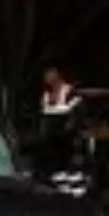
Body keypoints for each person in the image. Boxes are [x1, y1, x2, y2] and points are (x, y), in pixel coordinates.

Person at [38, 67, 87, 196]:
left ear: (57, 77)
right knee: (58, 172)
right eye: (46, 77)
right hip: (53, 141)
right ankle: (61, 191)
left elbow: (77, 115)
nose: (46, 80)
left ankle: (76, 193)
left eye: (49, 76)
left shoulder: (71, 93)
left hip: (69, 139)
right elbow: (44, 115)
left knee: (72, 170)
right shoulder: (46, 94)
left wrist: (72, 131)